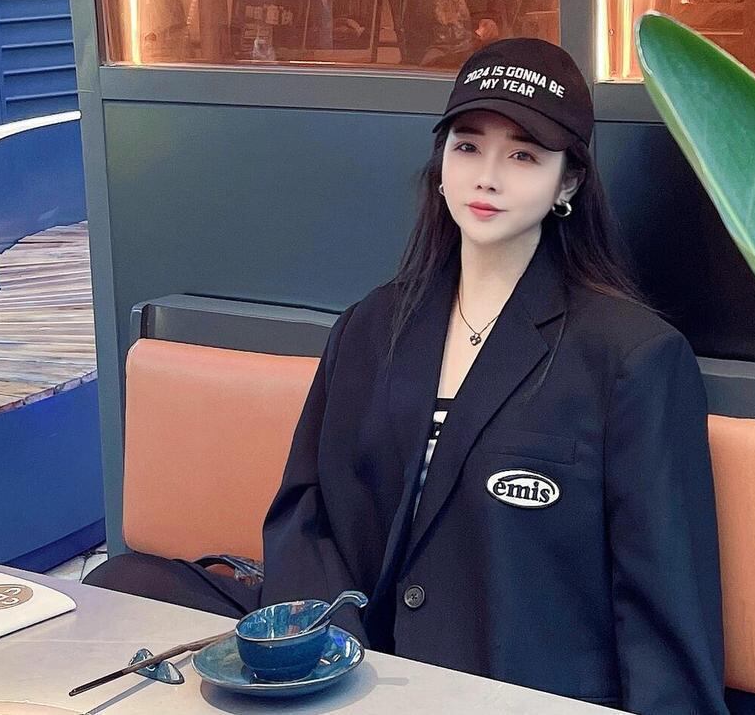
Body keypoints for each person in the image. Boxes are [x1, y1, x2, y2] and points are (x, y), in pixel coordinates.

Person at [262, 38, 725, 713]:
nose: (487, 177)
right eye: (468, 146)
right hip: (359, 686)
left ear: (568, 182)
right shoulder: (370, 327)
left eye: (523, 156)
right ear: (441, 164)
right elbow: (305, 518)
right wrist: (331, 666)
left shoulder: (632, 358)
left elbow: (665, 612)